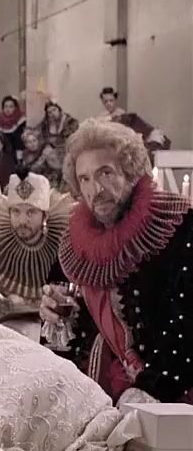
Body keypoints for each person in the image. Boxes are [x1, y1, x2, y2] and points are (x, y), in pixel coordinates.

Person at [40, 120, 193, 405]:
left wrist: (150, 390)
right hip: (108, 393)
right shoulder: (75, 241)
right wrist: (55, 317)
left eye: (106, 173)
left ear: (131, 171)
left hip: (177, 397)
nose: (95, 189)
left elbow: (187, 322)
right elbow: (73, 336)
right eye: (84, 178)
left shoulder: (178, 224)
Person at [0, 172, 73, 339]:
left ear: (44, 215)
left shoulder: (62, 245)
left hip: (48, 330)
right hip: (4, 331)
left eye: (31, 212)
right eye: (16, 212)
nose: (22, 220)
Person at [93, 86, 171, 158]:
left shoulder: (121, 114)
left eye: (111, 100)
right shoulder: (101, 116)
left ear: (115, 100)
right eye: (106, 101)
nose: (109, 104)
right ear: (102, 102)